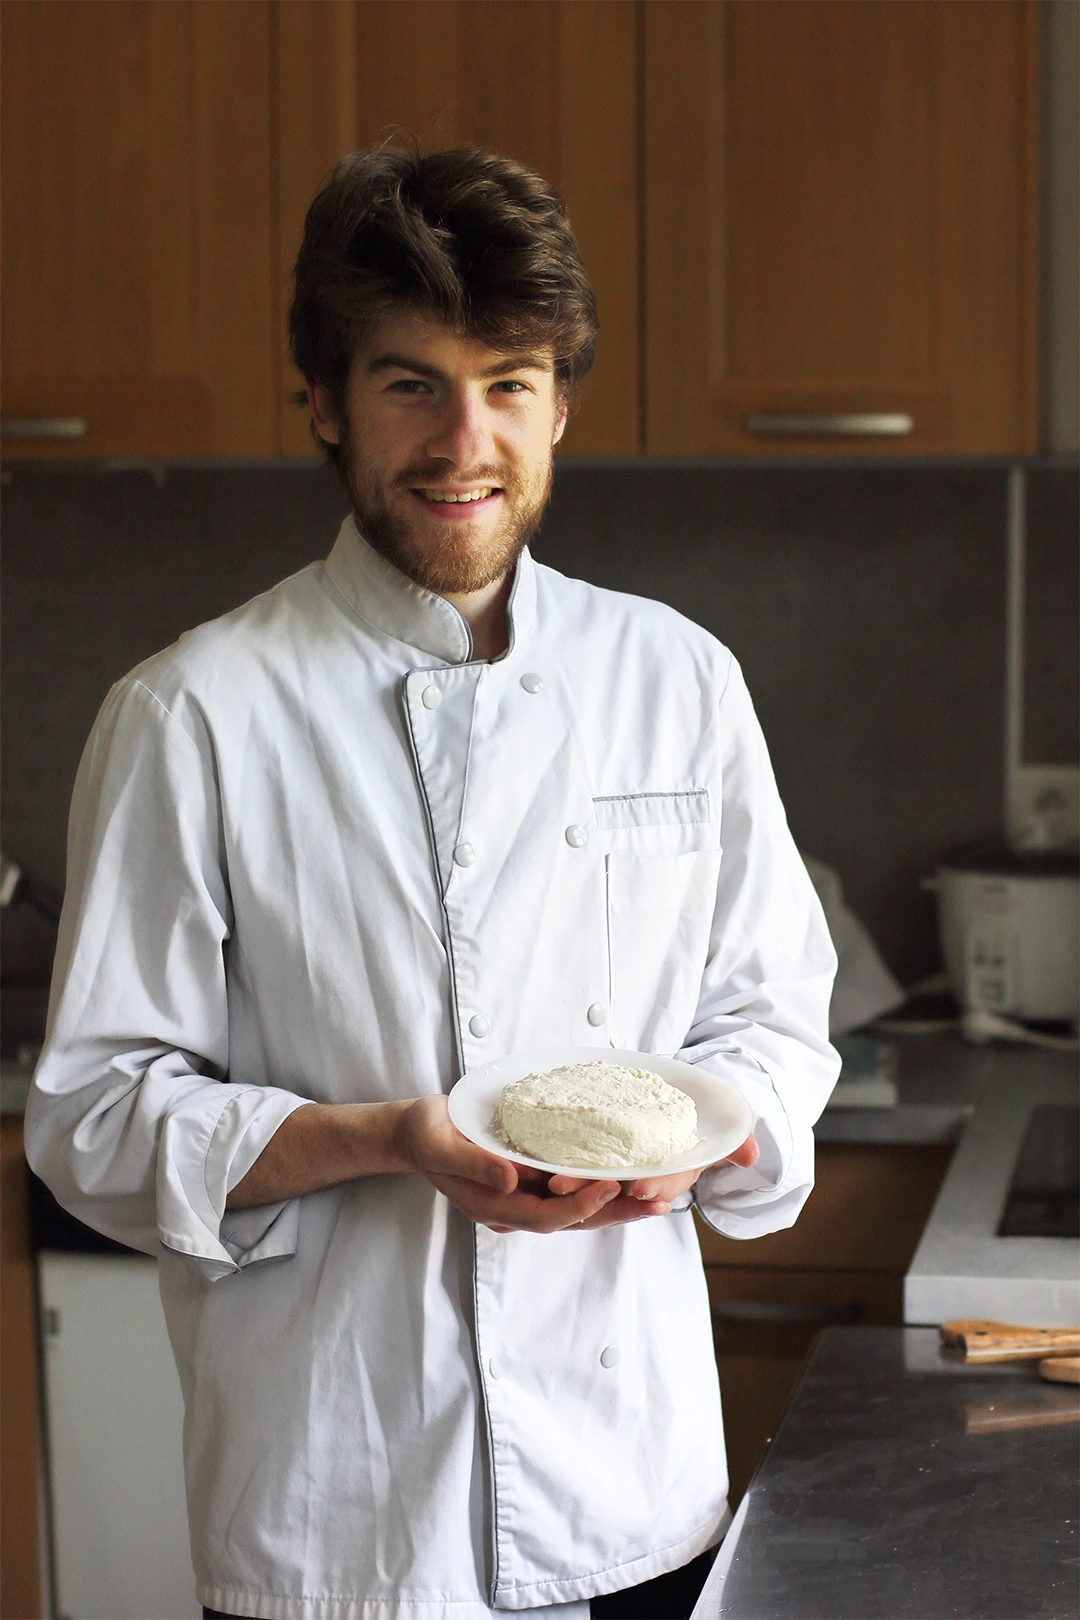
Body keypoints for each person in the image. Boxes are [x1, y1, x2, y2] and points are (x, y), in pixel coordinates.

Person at [26, 146, 839, 1620]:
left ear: (560, 405)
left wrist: (701, 1145)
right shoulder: (195, 713)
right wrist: (385, 1138)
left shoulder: (677, 680)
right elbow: (89, 1117)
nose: (465, 441)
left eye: (510, 384)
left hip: (632, 1489)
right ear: (327, 406)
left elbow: (773, 1022)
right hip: (338, 1513)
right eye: (411, 385)